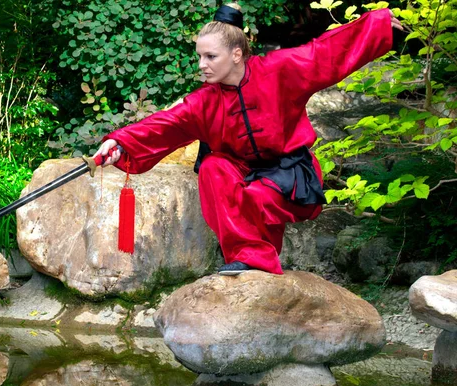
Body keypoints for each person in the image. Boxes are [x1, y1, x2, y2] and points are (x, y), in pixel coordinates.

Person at [94, 3, 403, 276]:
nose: (202, 64)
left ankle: (257, 258)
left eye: (211, 56)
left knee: (256, 194)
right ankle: (248, 259)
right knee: (213, 167)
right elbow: (165, 124)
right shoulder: (204, 101)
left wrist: (376, 27)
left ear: (236, 54)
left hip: (289, 170)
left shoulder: (279, 69)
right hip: (242, 168)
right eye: (200, 56)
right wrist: (120, 144)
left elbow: (324, 54)